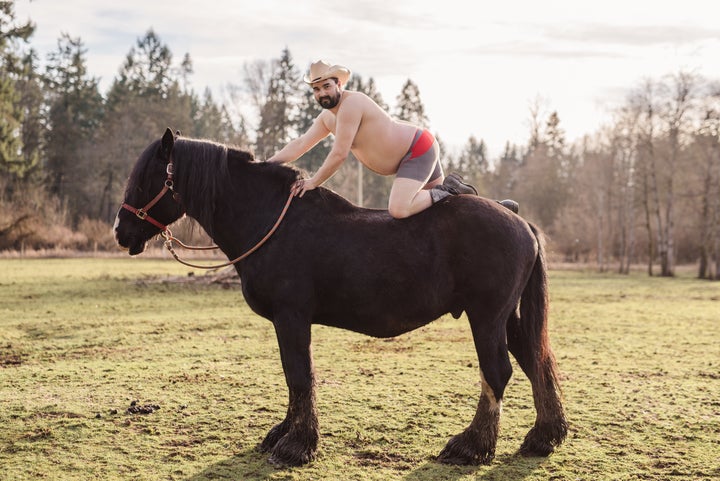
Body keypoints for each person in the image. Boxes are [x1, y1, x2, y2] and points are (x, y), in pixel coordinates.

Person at [267, 60, 518, 218]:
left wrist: (313, 182)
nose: (322, 93)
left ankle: (450, 189)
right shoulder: (326, 118)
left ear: (339, 84)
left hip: (417, 149)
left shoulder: (352, 104)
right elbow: (300, 144)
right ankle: (497, 208)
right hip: (407, 157)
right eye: (316, 89)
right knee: (443, 209)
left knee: (399, 209)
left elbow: (339, 153)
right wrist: (265, 165)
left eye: (327, 86)